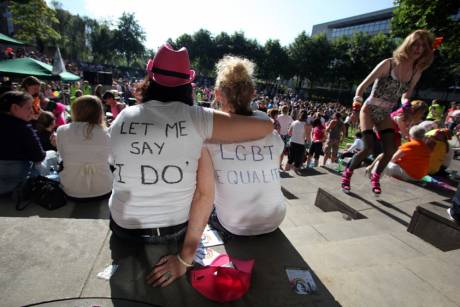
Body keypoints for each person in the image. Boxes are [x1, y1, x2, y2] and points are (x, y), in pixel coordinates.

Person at [109, 44, 273, 287]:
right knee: (203, 159)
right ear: (188, 84)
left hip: (123, 227)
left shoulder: (123, 117)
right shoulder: (198, 118)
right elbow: (265, 125)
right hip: (172, 232)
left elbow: (114, 166)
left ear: (150, 78)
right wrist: (185, 260)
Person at [341, 29, 435, 194]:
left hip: (385, 112)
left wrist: (405, 104)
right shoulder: (389, 64)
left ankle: (375, 177)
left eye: (423, 45)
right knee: (368, 148)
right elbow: (362, 87)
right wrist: (356, 105)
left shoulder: (416, 71)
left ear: (426, 49)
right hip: (369, 109)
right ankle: (347, 175)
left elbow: (406, 94)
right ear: (408, 45)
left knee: (390, 150)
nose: (418, 48)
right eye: (415, 44)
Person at [205, 55, 285, 237]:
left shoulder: (209, 140)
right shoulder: (272, 135)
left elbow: (205, 193)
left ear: (217, 94)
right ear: (253, 93)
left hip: (234, 224)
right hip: (276, 217)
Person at [56, 95, 113, 200]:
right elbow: (111, 159)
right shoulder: (107, 132)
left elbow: (62, 155)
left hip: (71, 190)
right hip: (104, 189)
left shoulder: (61, 130)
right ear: (99, 112)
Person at [0, 91, 45, 195]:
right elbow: (39, 156)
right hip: (16, 178)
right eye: (29, 108)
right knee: (50, 155)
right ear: (14, 108)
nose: (32, 111)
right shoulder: (23, 128)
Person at [367, 125, 431, 181]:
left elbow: (393, 159)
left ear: (410, 135)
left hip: (410, 175)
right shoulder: (426, 147)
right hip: (419, 176)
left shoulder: (410, 145)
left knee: (381, 163)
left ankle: (373, 179)